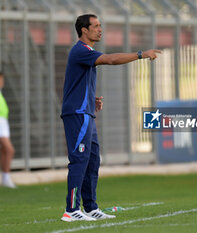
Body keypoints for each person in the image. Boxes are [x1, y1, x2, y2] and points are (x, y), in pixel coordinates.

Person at [60, 14, 161, 222]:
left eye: (100, 25)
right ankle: (71, 210)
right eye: (95, 26)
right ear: (84, 31)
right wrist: (141, 54)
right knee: (79, 159)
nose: (100, 29)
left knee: (93, 159)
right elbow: (110, 59)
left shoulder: (86, 52)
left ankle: (89, 208)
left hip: (86, 112)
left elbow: (77, 82)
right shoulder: (81, 50)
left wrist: (91, 98)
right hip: (78, 115)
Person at [0, 72, 16, 189]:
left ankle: (4, 177)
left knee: (5, 150)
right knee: (9, 149)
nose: (2, 82)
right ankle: (5, 177)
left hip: (3, 122)